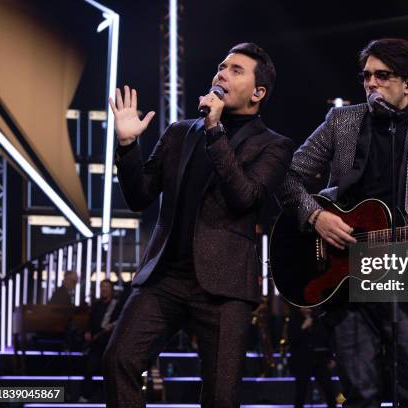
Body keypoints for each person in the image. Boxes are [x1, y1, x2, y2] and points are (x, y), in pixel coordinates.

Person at [280, 38, 408, 407]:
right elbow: (287, 175)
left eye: (382, 76)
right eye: (366, 75)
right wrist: (316, 216)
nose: (371, 83)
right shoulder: (343, 122)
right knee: (361, 396)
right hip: (347, 281)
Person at [103, 42, 294, 407]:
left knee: (221, 396)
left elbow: (245, 197)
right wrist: (127, 147)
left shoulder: (274, 146)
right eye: (221, 65)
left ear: (258, 92)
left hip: (224, 289)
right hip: (165, 279)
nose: (221, 72)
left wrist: (215, 130)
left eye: (236, 70)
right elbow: (139, 197)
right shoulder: (179, 132)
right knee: (118, 360)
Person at [80, 279, 122, 402]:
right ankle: (85, 396)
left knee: (110, 372)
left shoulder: (117, 305)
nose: (104, 289)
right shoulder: (96, 305)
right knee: (89, 369)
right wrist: (87, 332)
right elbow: (90, 322)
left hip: (110, 344)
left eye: (107, 287)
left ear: (111, 290)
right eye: (102, 286)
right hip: (96, 344)